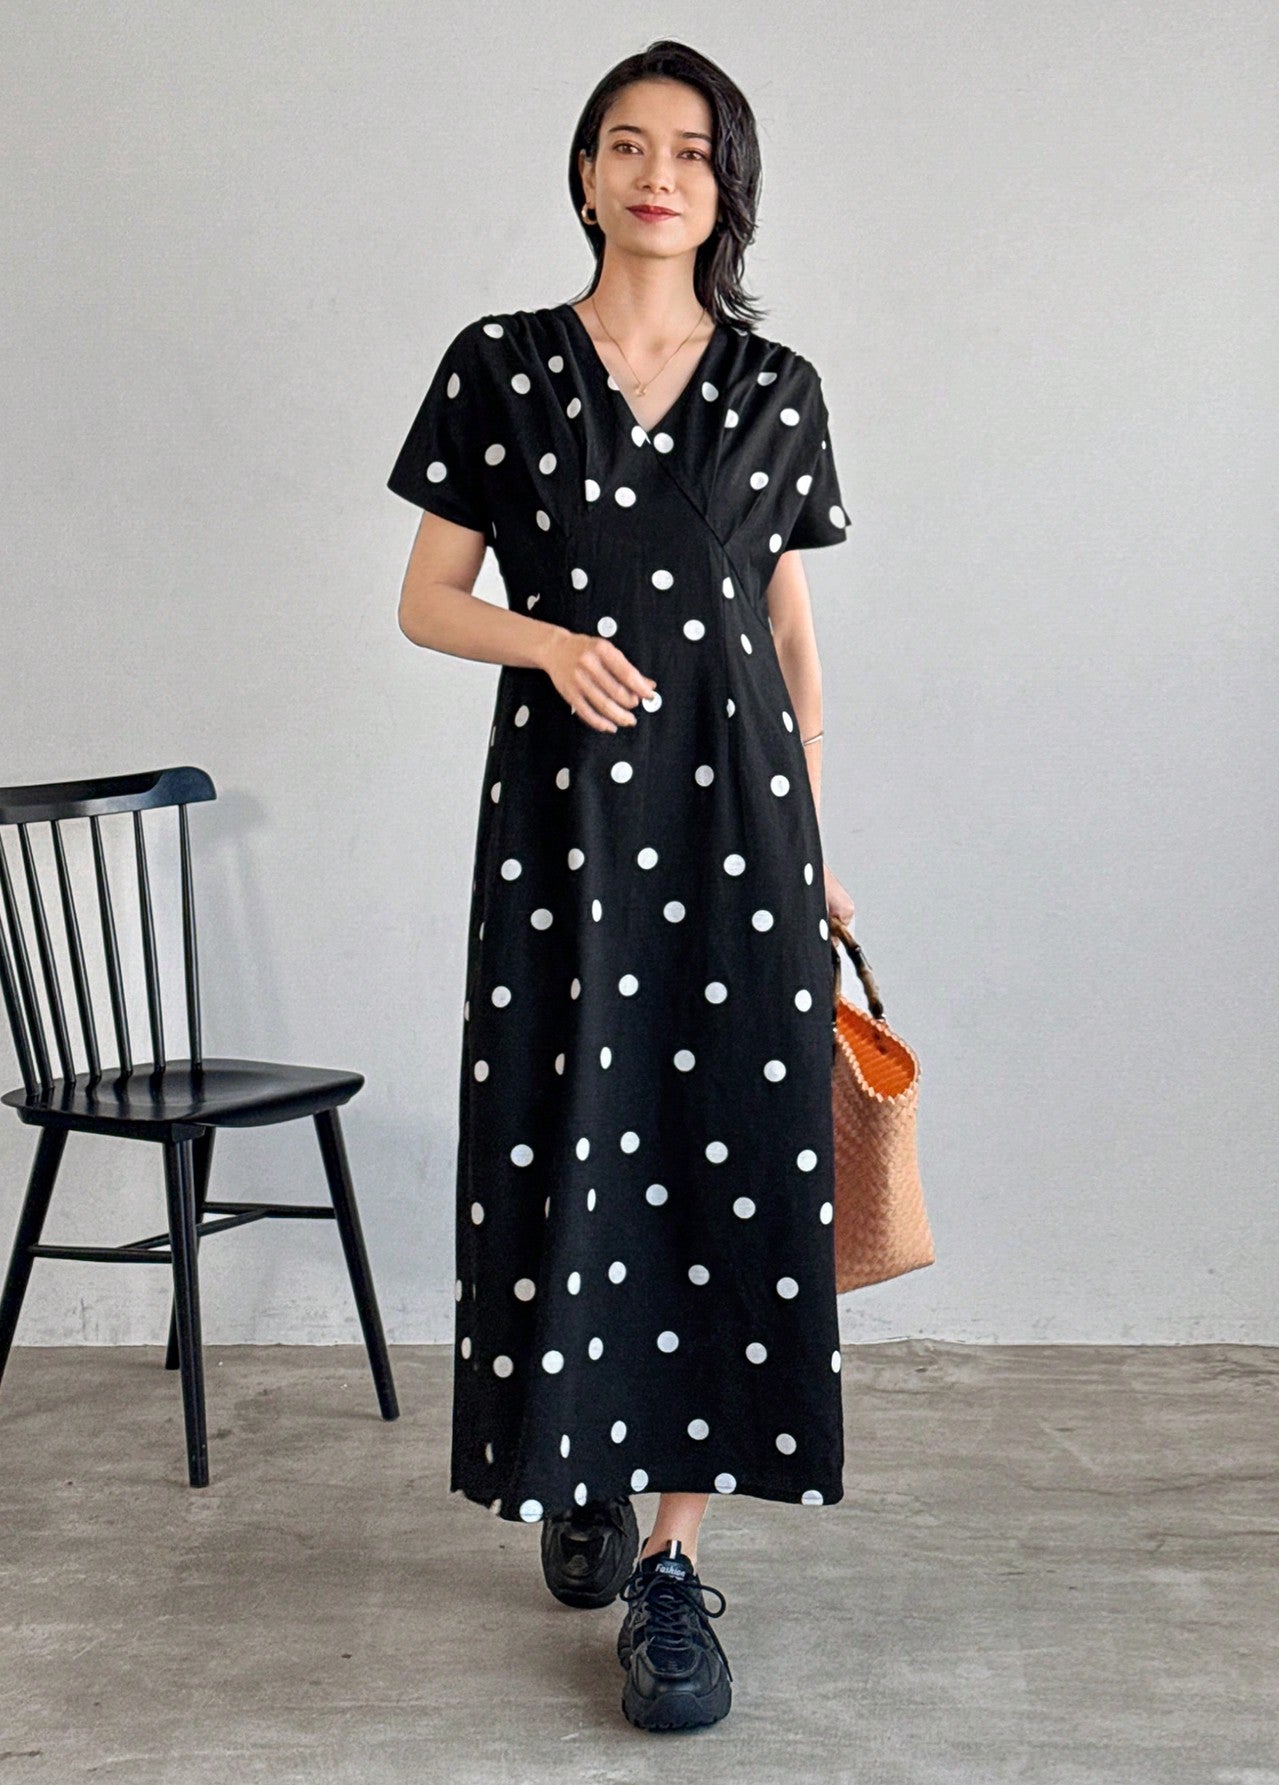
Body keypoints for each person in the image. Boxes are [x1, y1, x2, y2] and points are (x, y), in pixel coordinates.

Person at [387, 39, 855, 1734]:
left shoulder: (778, 384)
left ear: (728, 186)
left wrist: (822, 857)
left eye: (694, 151)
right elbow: (427, 597)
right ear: (586, 172)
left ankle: (669, 1561)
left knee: (725, 1160)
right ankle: (574, 1456)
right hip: (565, 828)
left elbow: (790, 637)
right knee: (566, 1128)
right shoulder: (500, 365)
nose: (661, 174)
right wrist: (546, 643)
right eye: (629, 144)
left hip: (741, 832)